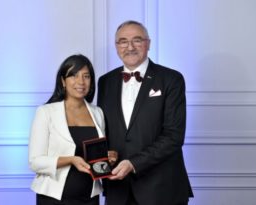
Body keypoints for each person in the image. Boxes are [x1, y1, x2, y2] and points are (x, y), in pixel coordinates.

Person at [97, 20, 193, 205]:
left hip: (161, 189)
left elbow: (174, 136)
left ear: (148, 44)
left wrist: (133, 163)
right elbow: (103, 130)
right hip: (118, 189)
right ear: (116, 46)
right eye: (123, 41)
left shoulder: (171, 79)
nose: (130, 47)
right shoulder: (105, 82)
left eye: (137, 40)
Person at [29, 54, 116, 205]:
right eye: (74, 76)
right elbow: (35, 162)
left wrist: (109, 158)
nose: (80, 82)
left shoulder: (98, 113)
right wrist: (71, 160)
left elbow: (96, 155)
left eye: (86, 76)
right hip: (54, 198)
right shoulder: (45, 112)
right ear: (63, 81)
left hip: (90, 197)